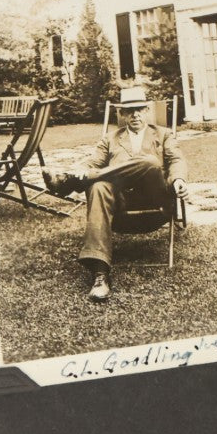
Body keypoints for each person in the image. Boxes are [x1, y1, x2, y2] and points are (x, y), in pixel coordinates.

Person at [48, 87, 188, 301]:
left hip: (154, 201)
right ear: (122, 114)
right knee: (98, 187)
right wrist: (82, 168)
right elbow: (92, 162)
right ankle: (100, 273)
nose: (135, 115)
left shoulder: (163, 134)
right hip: (122, 206)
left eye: (140, 109)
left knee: (149, 162)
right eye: (129, 111)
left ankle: (74, 182)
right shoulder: (111, 138)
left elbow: (176, 159)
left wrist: (178, 180)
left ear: (147, 111)